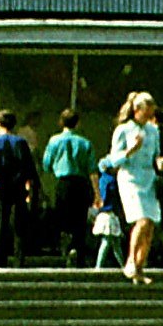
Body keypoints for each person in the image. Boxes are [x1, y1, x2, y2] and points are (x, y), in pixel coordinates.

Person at [105, 93, 163, 284]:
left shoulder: (154, 131)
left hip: (149, 177)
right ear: (137, 110)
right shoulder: (123, 130)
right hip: (130, 177)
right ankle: (130, 260)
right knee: (142, 220)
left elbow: (156, 153)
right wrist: (131, 150)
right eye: (146, 112)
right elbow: (113, 160)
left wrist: (160, 161)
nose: (149, 116)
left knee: (151, 225)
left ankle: (139, 267)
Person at [40, 111, 98, 272]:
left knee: (62, 217)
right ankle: (78, 252)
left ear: (61, 122)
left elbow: (46, 164)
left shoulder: (54, 141)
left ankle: (65, 251)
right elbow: (92, 169)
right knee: (80, 219)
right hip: (80, 183)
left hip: (63, 183)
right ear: (77, 123)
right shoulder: (85, 143)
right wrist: (97, 193)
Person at [0, 110, 35, 267]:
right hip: (18, 188)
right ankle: (19, 259)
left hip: (0, 187)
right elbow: (28, 169)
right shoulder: (21, 143)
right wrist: (28, 190)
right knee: (18, 225)